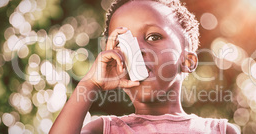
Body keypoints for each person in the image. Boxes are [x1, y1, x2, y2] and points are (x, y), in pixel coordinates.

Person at [50, 0, 239, 133]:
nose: (137, 49)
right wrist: (90, 84)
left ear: (187, 61)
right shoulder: (103, 129)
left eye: (153, 37)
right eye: (124, 44)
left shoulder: (221, 131)